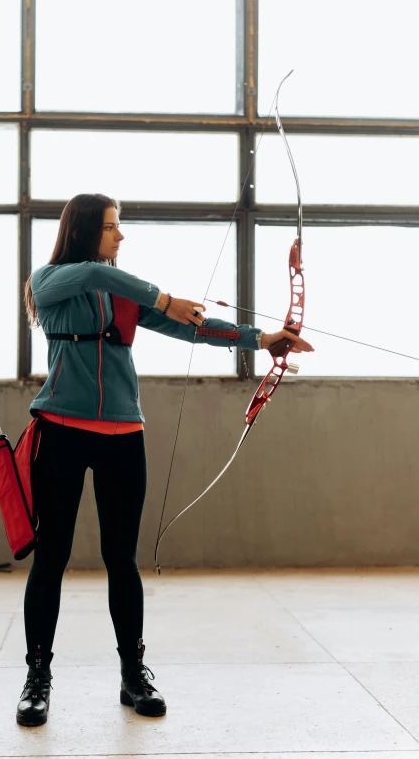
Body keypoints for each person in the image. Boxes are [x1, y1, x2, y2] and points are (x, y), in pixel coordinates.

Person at [17, 193, 314, 726]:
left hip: (122, 437)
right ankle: (37, 678)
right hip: (60, 431)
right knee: (52, 557)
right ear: (86, 231)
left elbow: (188, 325)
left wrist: (262, 338)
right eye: (111, 228)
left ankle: (134, 675)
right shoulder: (50, 280)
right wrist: (163, 294)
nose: (121, 237)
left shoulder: (120, 290)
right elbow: (94, 276)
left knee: (122, 560)